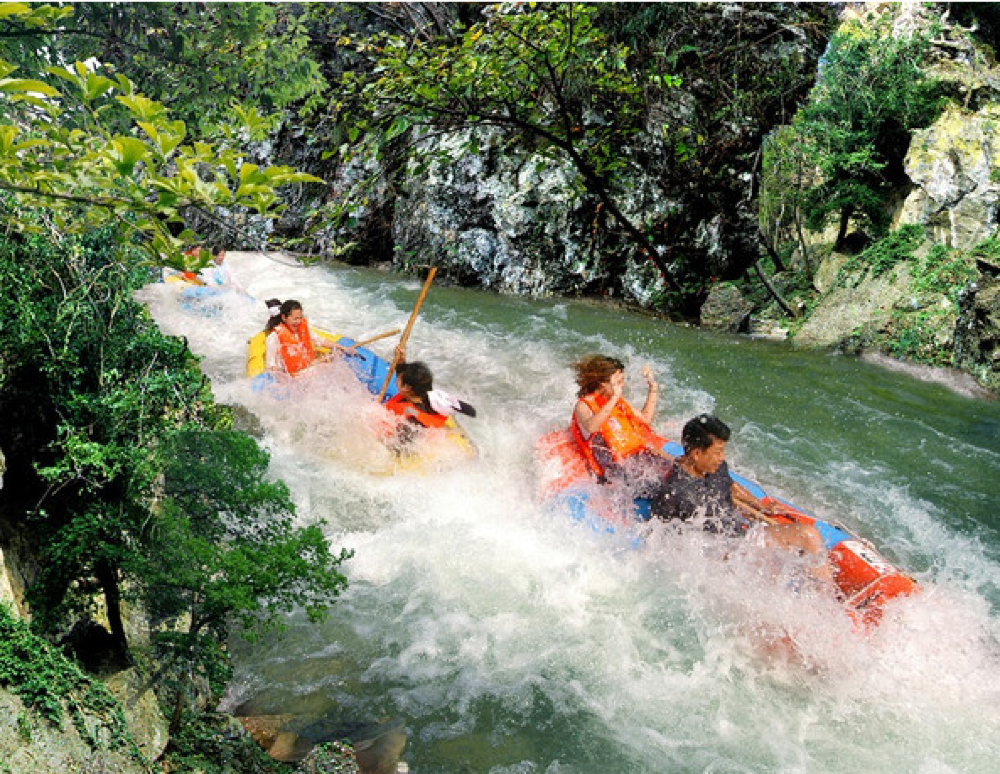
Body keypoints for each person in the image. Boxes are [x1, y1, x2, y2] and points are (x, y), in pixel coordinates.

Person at [657, 414, 833, 582]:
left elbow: (729, 484)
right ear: (696, 454)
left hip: (741, 539)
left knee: (804, 541)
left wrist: (759, 506)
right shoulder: (678, 493)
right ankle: (829, 602)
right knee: (807, 535)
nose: (721, 458)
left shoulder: (712, 467)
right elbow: (668, 536)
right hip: (725, 556)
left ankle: (824, 593)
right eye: (718, 452)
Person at [572, 354, 671, 503]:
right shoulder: (584, 405)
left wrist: (653, 388)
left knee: (678, 470)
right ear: (602, 384)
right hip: (615, 469)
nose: (622, 385)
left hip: (636, 458)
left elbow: (645, 418)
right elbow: (591, 426)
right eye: (618, 382)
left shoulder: (618, 402)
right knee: (664, 490)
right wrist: (613, 398)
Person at [265, 299, 352, 376]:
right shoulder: (274, 337)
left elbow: (320, 341)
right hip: (293, 376)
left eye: (300, 318)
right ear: (284, 317)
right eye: (295, 319)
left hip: (309, 369)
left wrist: (342, 347)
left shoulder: (303, 329)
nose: (298, 322)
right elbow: (271, 366)